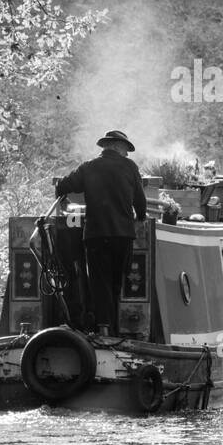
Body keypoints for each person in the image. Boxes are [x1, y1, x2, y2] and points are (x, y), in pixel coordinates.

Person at [55, 130, 147, 332]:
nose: (126, 154)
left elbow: (64, 185)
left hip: (96, 235)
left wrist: (61, 195)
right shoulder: (130, 167)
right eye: (125, 149)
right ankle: (111, 330)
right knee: (115, 283)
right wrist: (140, 217)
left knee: (99, 283)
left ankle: (103, 327)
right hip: (123, 235)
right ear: (116, 146)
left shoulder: (89, 167)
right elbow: (140, 202)